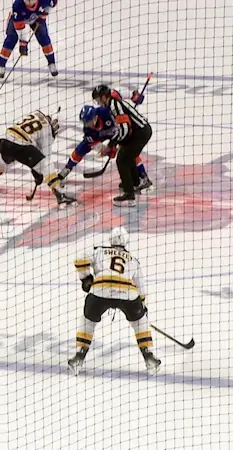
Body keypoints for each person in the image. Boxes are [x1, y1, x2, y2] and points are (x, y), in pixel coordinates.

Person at [67, 226, 162, 376]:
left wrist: (86, 278)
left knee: (87, 321)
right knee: (140, 323)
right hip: (128, 293)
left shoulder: (98, 250)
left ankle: (79, 356)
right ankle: (149, 356)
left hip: (100, 291)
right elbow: (141, 289)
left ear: (110, 240)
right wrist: (142, 307)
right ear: (126, 241)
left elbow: (80, 260)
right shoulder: (133, 260)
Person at [0, 110, 76, 206]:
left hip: (5, 141)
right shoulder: (48, 130)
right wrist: (38, 174)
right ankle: (60, 194)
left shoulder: (36, 114)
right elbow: (44, 157)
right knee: (46, 164)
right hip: (19, 145)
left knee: (4, 159)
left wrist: (36, 172)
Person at [58, 105, 152, 193]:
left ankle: (144, 177)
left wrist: (114, 144)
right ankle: (67, 169)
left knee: (129, 151)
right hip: (103, 136)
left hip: (119, 133)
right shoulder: (88, 130)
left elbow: (123, 125)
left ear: (95, 117)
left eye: (88, 121)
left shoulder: (106, 112)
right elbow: (94, 144)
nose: (86, 124)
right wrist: (108, 150)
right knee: (81, 148)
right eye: (84, 122)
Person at [91, 85, 151, 206]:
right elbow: (122, 129)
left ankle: (129, 196)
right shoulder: (112, 104)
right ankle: (134, 183)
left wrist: (111, 145)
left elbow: (124, 128)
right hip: (139, 131)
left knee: (122, 160)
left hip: (140, 133)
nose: (97, 102)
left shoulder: (114, 105)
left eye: (98, 99)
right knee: (128, 156)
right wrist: (113, 144)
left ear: (103, 97)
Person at [0, 0, 58, 79]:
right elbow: (19, 27)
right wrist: (23, 43)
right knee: (11, 39)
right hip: (18, 19)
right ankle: (1, 65)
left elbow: (53, 3)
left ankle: (51, 63)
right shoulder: (18, 5)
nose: (29, 2)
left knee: (44, 38)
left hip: (37, 17)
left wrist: (44, 14)